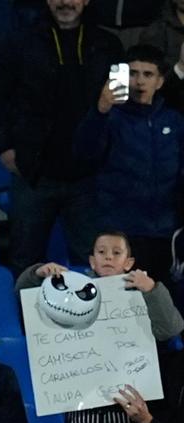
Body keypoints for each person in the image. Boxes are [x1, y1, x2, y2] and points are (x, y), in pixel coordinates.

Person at [16, 231, 184, 423]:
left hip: (126, 406)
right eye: (102, 252)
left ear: (128, 262)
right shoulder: (66, 295)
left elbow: (171, 328)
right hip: (81, 405)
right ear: (92, 261)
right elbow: (27, 307)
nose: (108, 257)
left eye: (116, 253)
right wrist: (37, 275)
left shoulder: (142, 295)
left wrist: (153, 289)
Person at [0, 0, 122, 270]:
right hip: (34, 174)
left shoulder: (108, 45)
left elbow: (121, 110)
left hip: (89, 178)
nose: (66, 3)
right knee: (26, 264)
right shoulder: (18, 42)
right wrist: (4, 146)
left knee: (97, 267)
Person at [73, 44, 184, 283]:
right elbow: (84, 154)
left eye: (148, 74)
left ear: (160, 81)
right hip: (120, 231)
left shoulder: (174, 120)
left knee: (159, 302)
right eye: (132, 73)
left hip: (164, 232)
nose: (139, 81)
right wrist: (101, 110)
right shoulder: (108, 116)